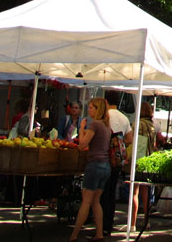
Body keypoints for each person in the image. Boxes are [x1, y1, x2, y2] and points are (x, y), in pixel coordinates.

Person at [69, 97, 112, 242]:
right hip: (105, 166)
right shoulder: (107, 126)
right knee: (96, 201)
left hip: (94, 165)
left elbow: (82, 144)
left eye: (91, 107)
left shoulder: (95, 125)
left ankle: (74, 235)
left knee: (86, 201)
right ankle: (99, 233)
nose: (89, 110)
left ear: (97, 109)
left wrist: (81, 128)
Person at [100, 90, 133, 236]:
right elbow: (130, 139)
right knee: (111, 191)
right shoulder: (124, 118)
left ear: (105, 101)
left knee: (100, 192)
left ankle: (100, 225)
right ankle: (109, 223)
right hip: (117, 159)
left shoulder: (103, 116)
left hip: (103, 156)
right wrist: (118, 145)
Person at [131, 100, 156, 231]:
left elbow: (133, 141)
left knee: (135, 192)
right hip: (149, 160)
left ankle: (132, 224)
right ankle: (146, 221)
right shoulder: (152, 125)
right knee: (146, 192)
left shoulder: (138, 124)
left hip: (139, 159)